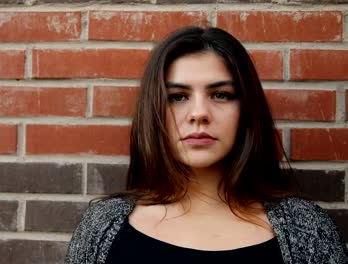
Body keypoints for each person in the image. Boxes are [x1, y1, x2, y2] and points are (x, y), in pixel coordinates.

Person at [65, 26, 348, 264]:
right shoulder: (101, 227)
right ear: (153, 111)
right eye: (177, 96)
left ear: (246, 109)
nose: (199, 113)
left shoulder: (307, 230)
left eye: (221, 95)